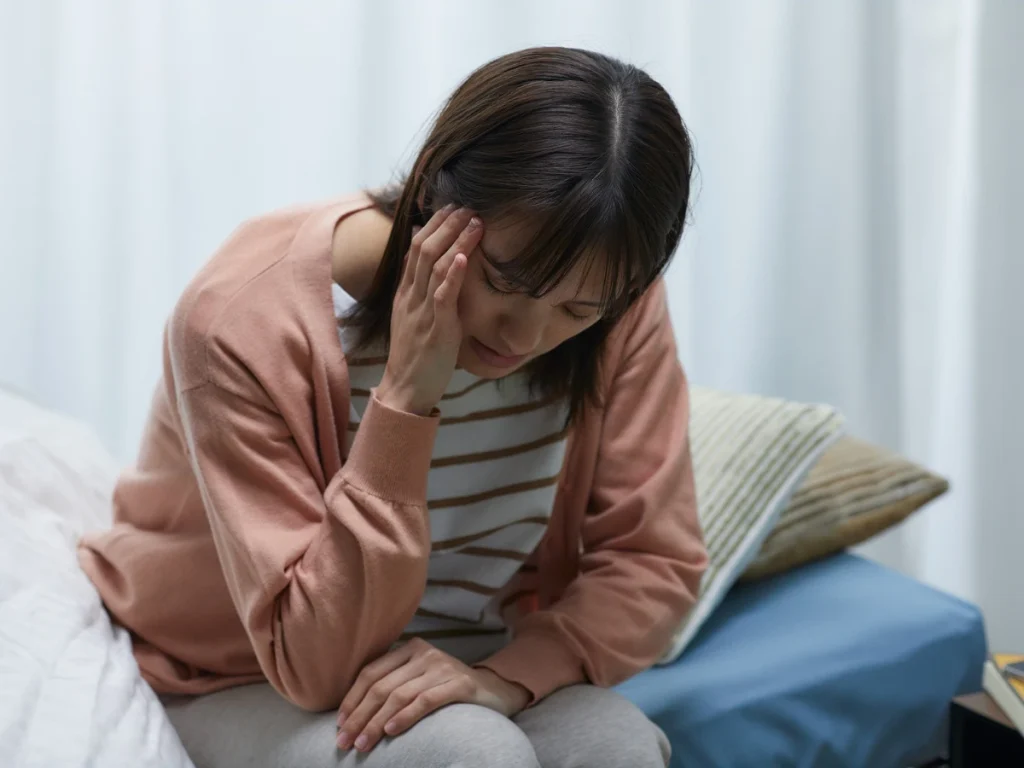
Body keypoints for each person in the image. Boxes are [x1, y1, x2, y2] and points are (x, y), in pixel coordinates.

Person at [78, 45, 707, 767]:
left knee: (615, 744)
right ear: (433, 190)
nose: (526, 336)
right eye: (504, 281)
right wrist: (407, 398)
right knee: (472, 753)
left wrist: (508, 677)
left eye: (576, 309)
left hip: (467, 664)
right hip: (240, 673)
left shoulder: (615, 301)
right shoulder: (242, 318)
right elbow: (311, 660)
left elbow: (653, 560)